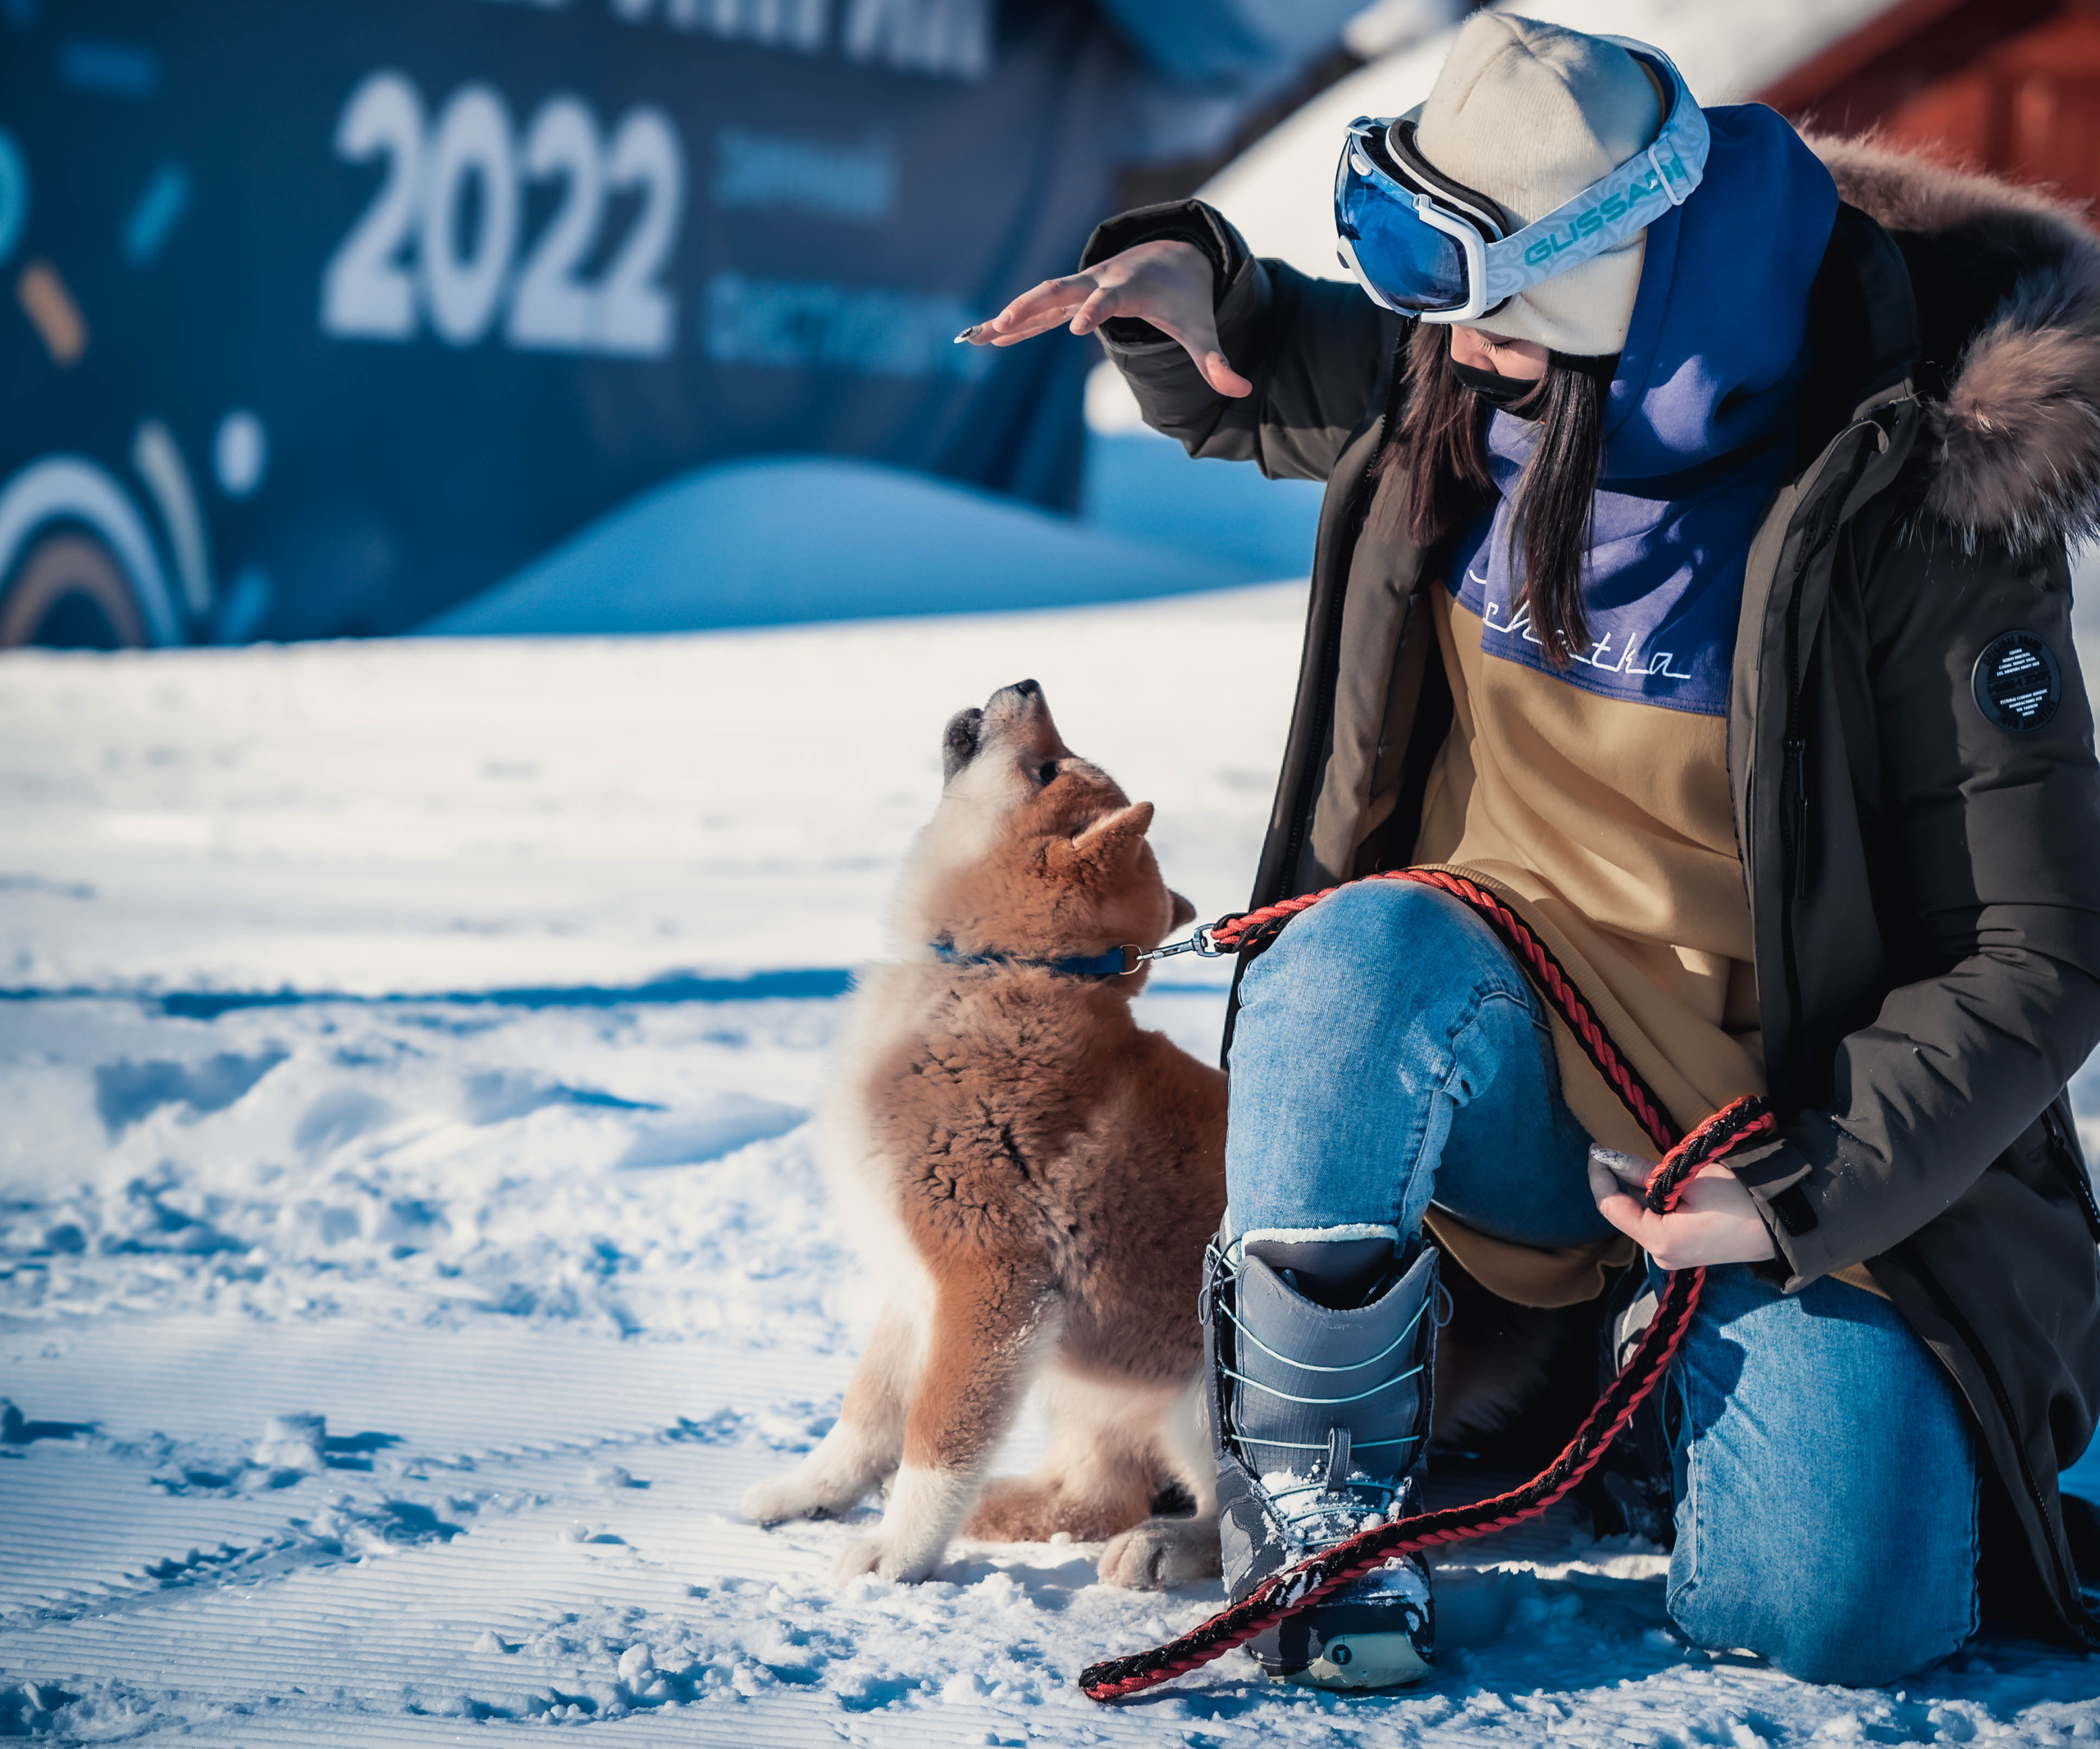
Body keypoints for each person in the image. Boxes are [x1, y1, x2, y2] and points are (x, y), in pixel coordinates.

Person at [963, 12, 2100, 1693]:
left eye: (1460, 282)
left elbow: (2041, 945)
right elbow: (1282, 371)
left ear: (1592, 283)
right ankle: (1319, 1520)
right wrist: (1196, 291)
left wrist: (1789, 1193)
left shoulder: (1901, 486)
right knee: (1346, 954)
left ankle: (1660, 1373)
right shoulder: (1479, 372)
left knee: (1834, 1617)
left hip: (1768, 1153)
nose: (1432, 334)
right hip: (1483, 1067)